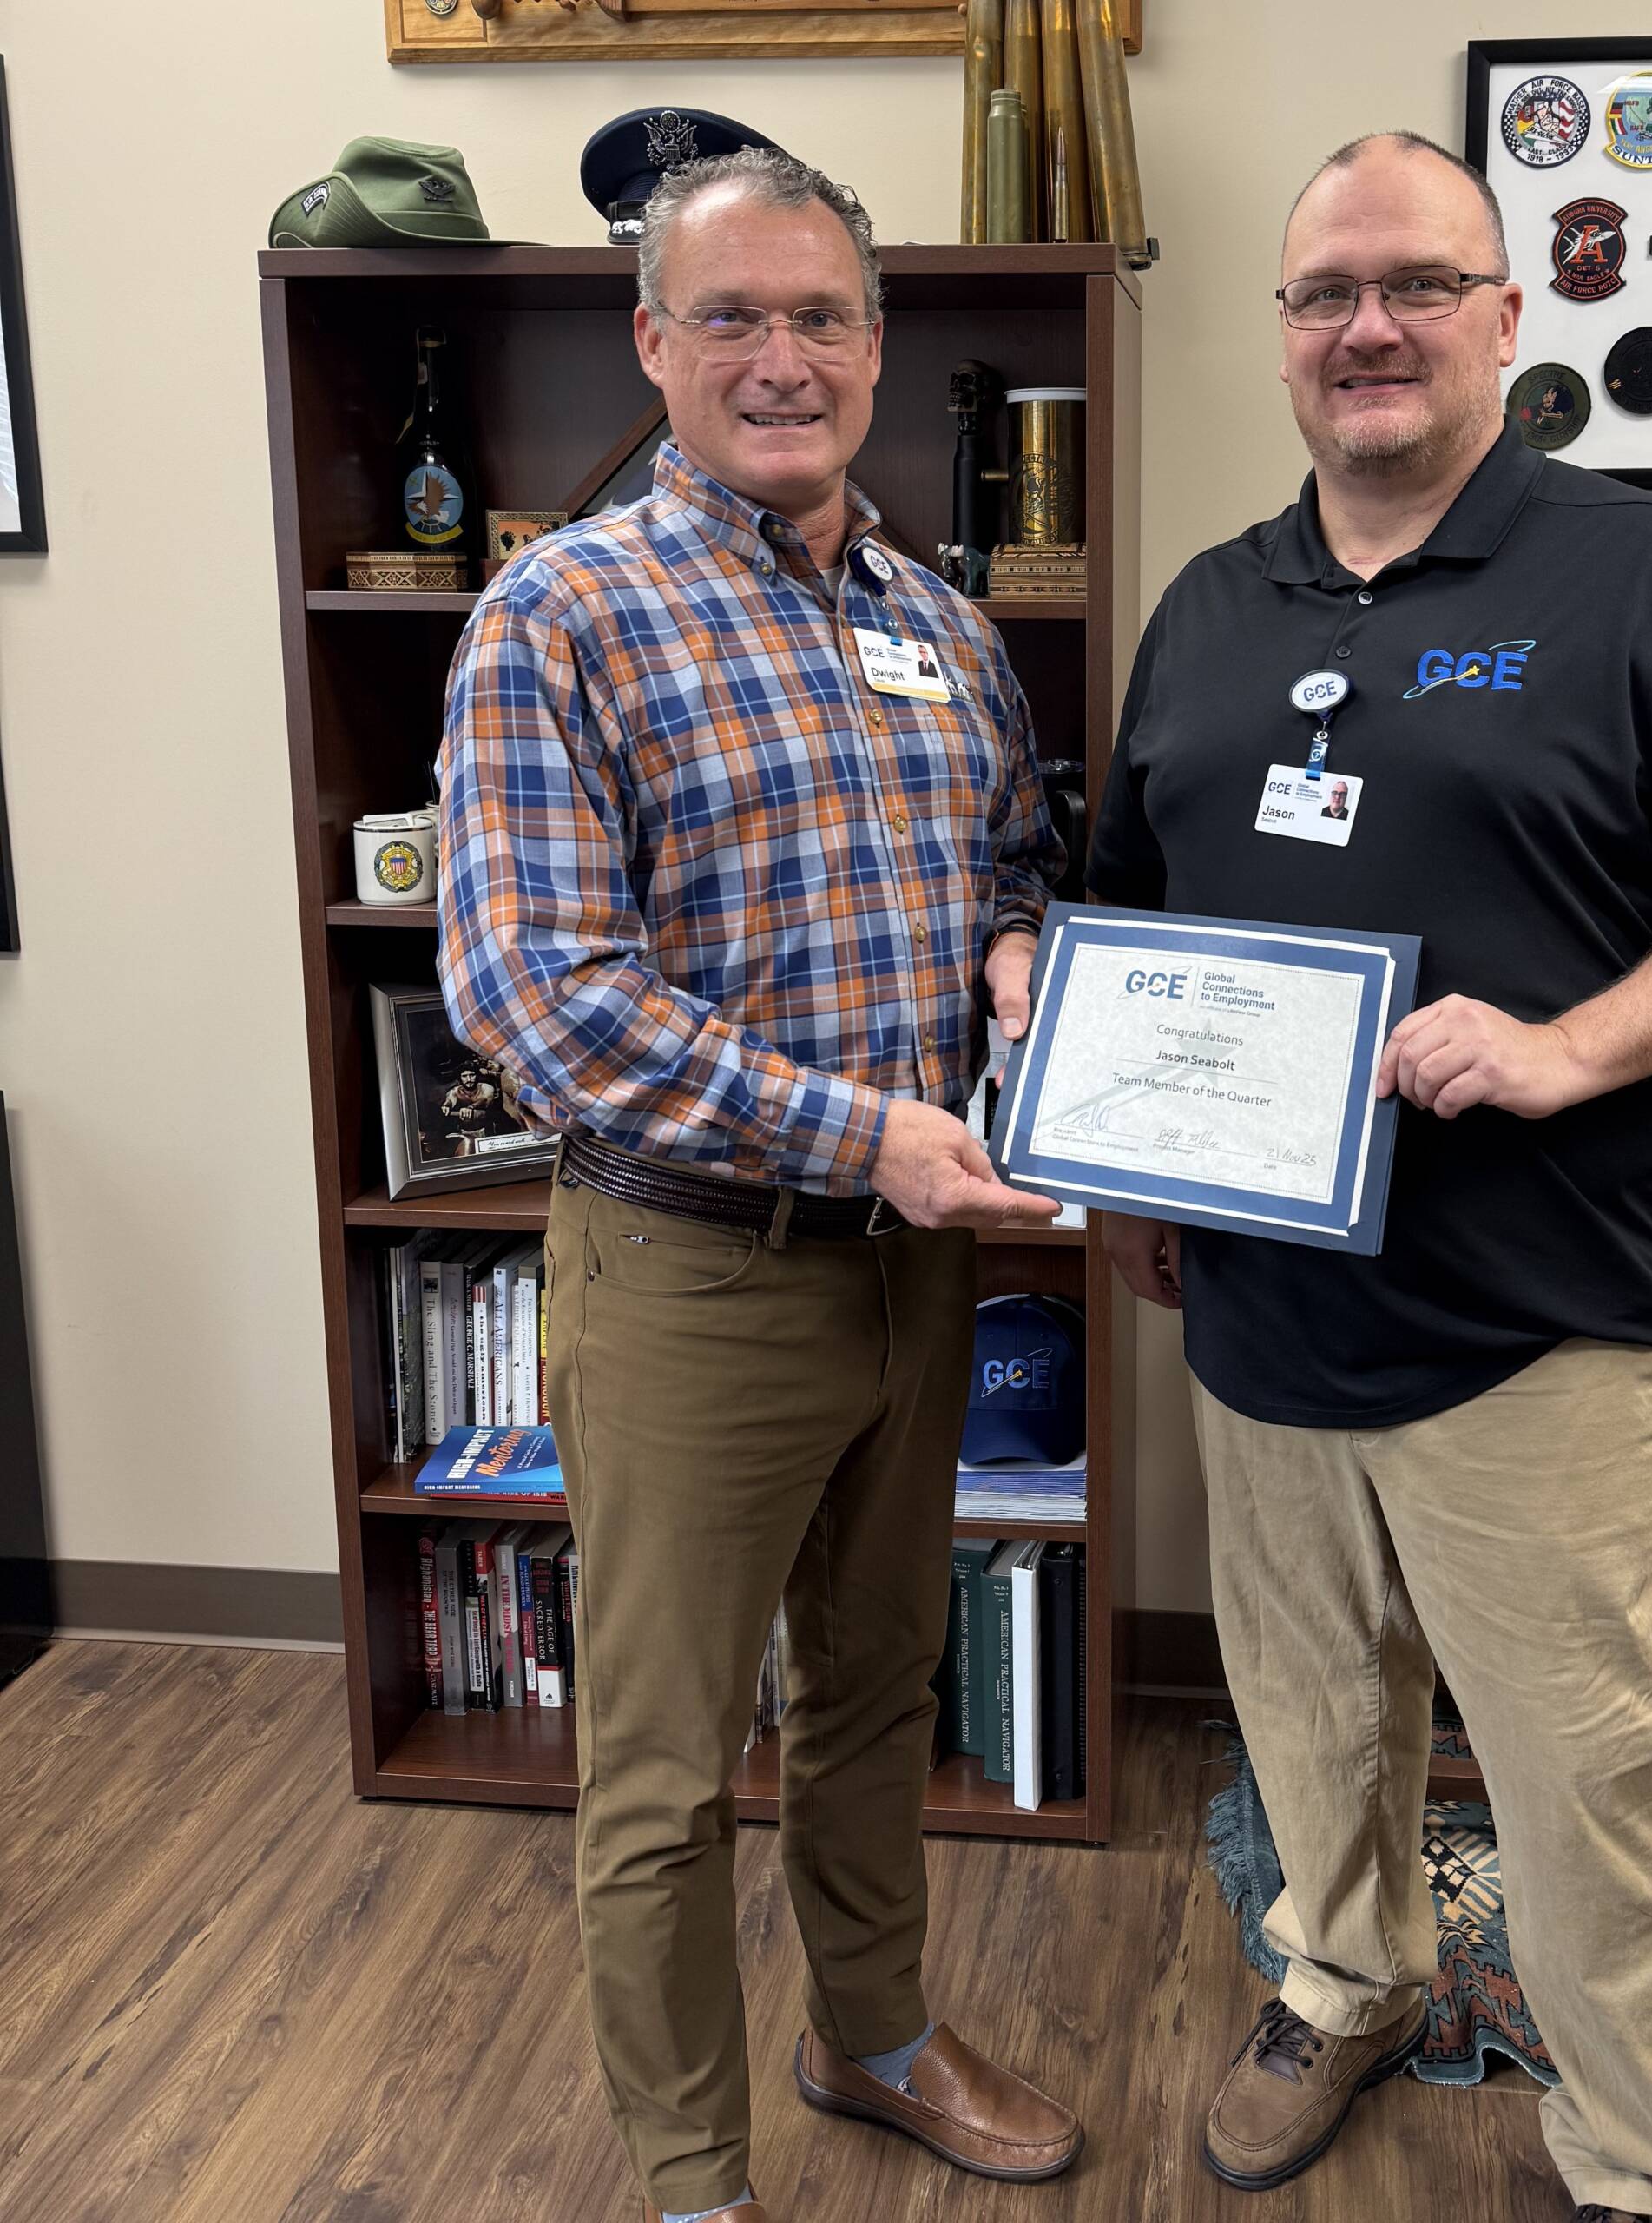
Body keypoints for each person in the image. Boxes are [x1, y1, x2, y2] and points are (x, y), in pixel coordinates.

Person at [1088, 132, 1652, 2222]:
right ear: (1279, 338)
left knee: (1582, 1772)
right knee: (1309, 1719)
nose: (1367, 324)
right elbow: (1128, 912)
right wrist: (1140, 1163)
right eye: (1325, 290)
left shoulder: (1643, 573)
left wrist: (1561, 1045)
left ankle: (1632, 2153)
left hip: (1529, 1313)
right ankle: (1344, 1979)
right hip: (1259, 1304)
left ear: (1503, 319)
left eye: (1416, 284)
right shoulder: (1209, 606)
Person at [438, 147, 1083, 2223]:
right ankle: (697, 2177)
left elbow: (1005, 855)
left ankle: (871, 2034)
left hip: (909, 1272)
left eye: (820, 318)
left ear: (875, 351)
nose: (780, 360)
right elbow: (538, 998)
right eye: (730, 317)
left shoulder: (941, 621)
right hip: (696, 1274)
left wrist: (1007, 941)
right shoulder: (561, 611)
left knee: (877, 1688)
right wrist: (860, 1129)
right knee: (658, 1765)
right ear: (653, 342)